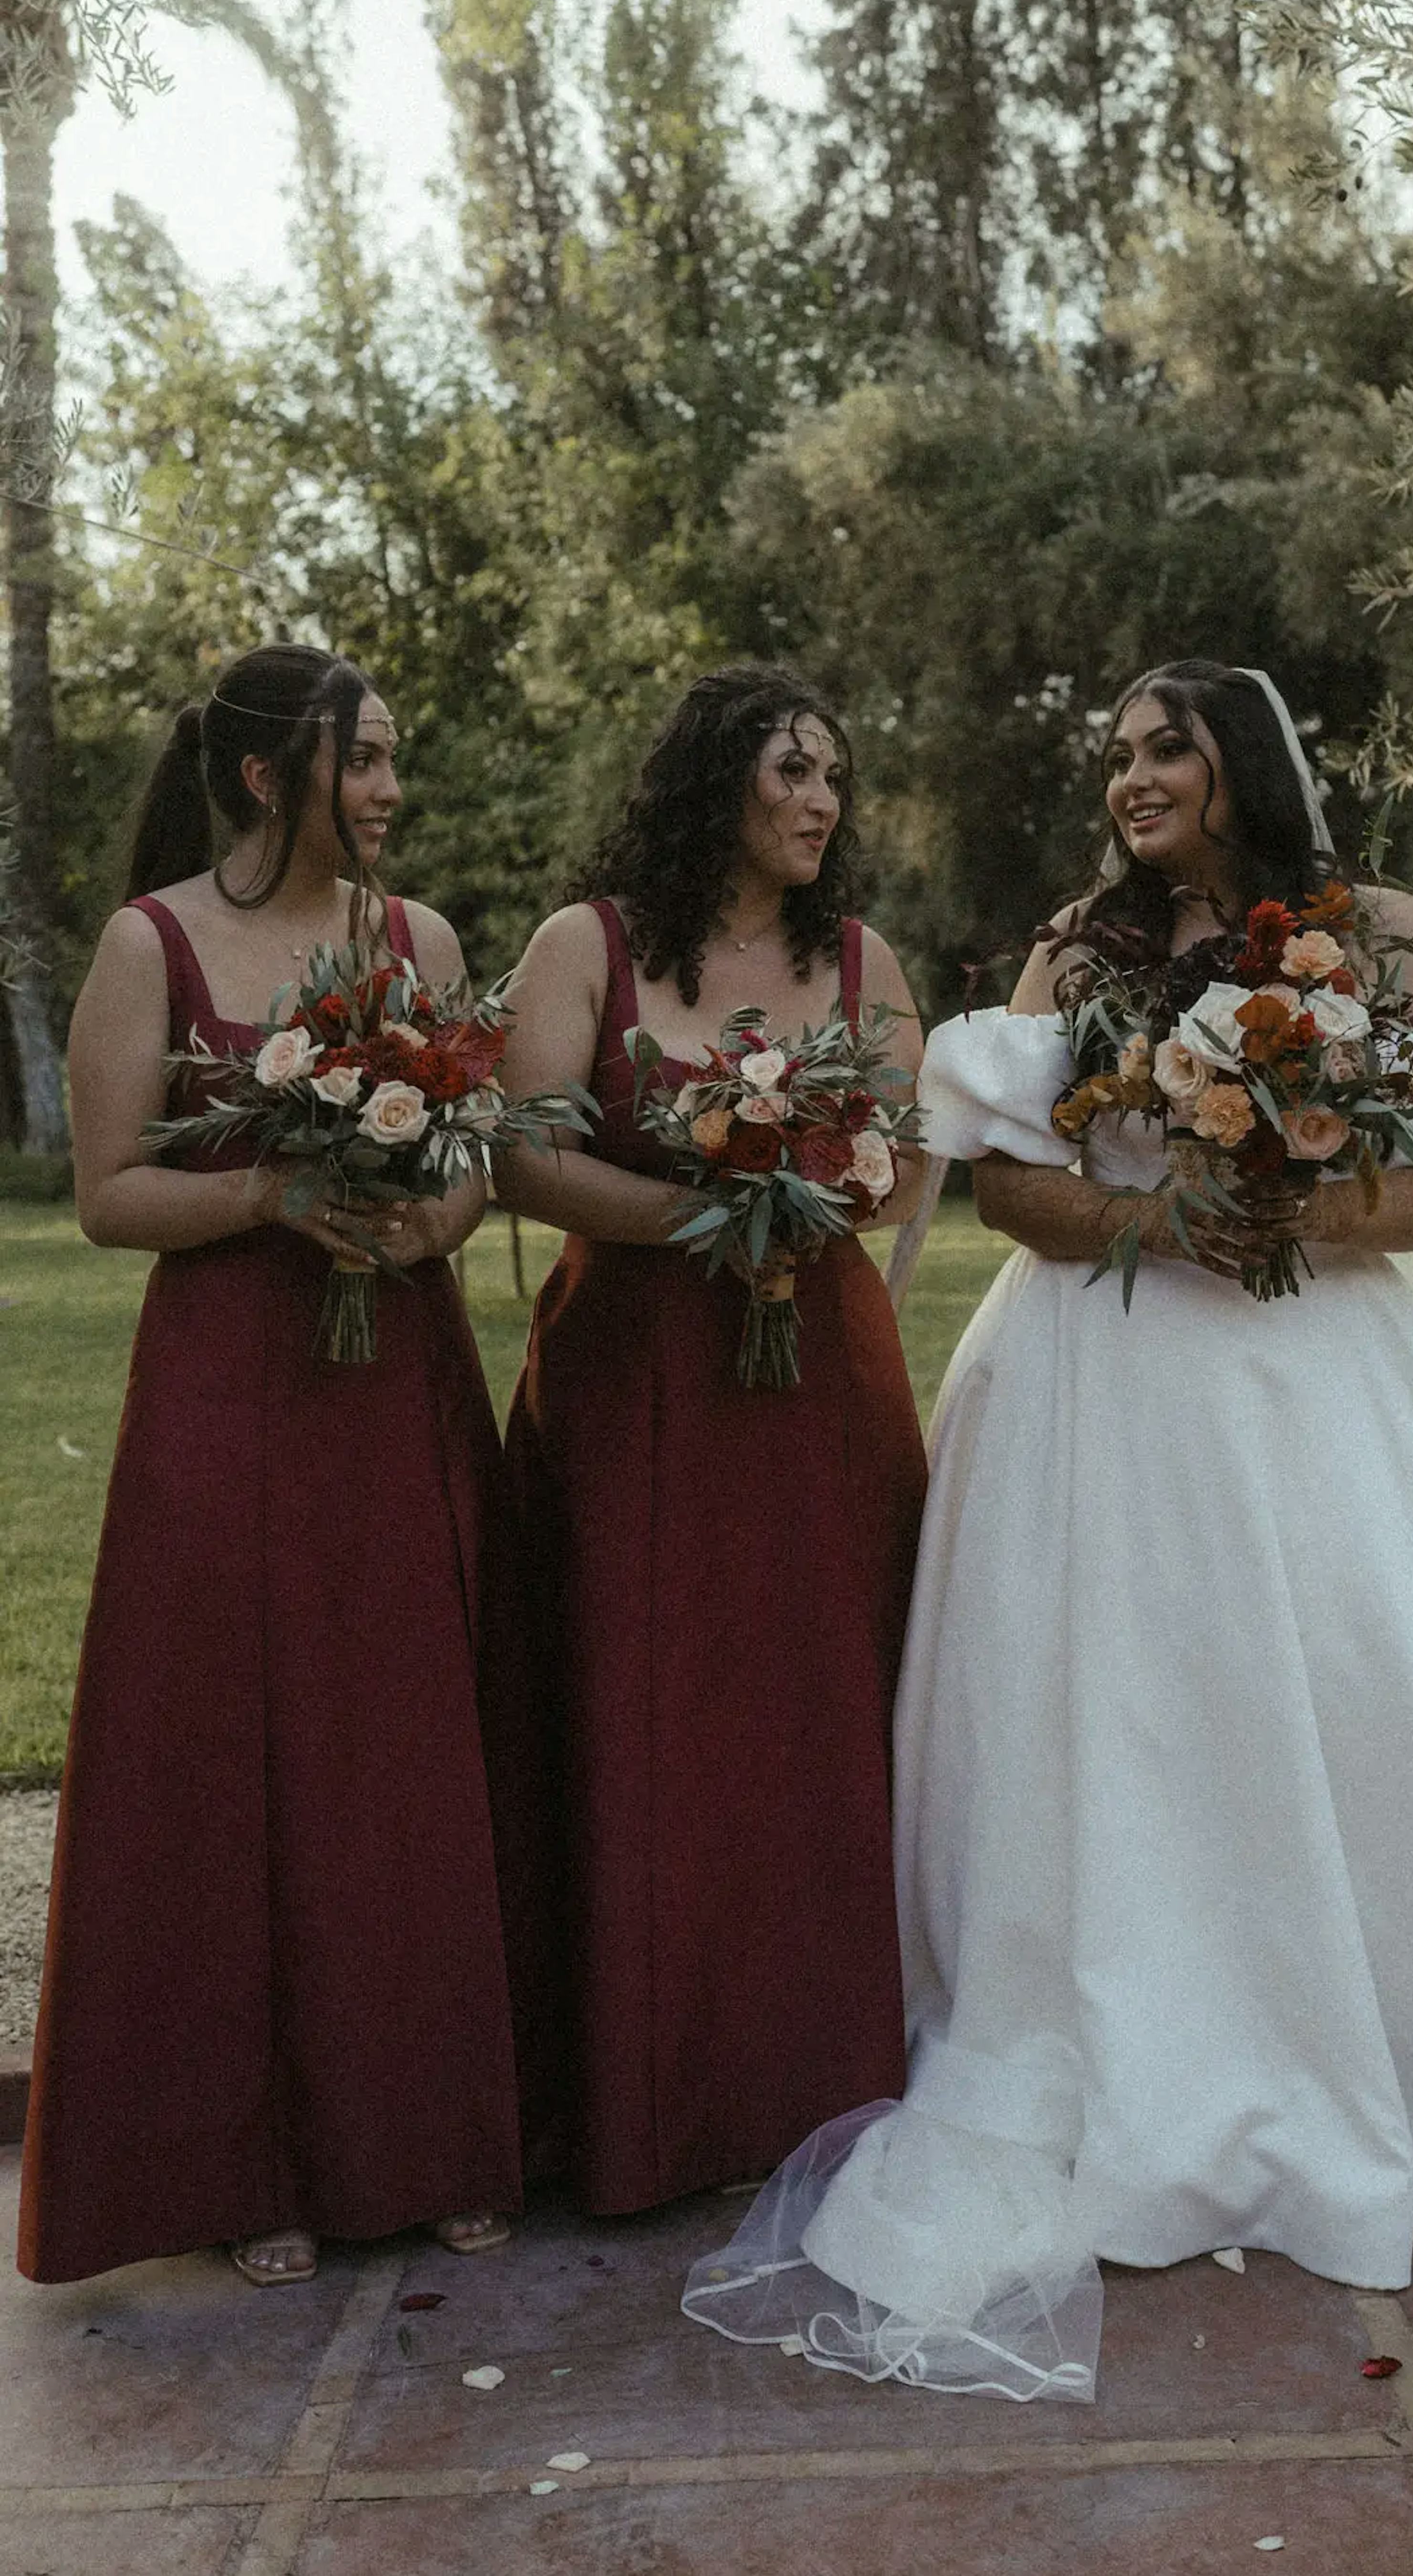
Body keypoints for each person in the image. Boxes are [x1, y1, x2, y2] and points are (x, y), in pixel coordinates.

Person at [683, 658, 1413, 2402]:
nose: (1133, 776)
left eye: (1167, 747)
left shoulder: (1378, 931)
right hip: (1099, 1386)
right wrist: (1164, 1228)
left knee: (1405, 1697)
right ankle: (1148, 2027)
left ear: (1247, 764)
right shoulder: (1078, 947)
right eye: (1119, 753)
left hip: (1325, 1369)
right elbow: (1009, 1188)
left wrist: (1297, 1203)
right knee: (1117, 1718)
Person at [20, 643, 522, 2289]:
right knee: (248, 1761)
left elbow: (475, 1162)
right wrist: (269, 1198)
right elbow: (105, 1192)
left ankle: (439, 2132)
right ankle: (256, 2161)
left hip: (397, 1388)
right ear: (262, 775)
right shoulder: (150, 942)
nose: (386, 789)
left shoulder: (423, 941)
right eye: (359, 760)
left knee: (410, 1751)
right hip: (231, 1396)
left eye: (391, 759)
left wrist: (418, 1218)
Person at [491, 664, 929, 2214]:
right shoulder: (583, 946)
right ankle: (635, 2097)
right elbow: (525, 1153)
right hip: (633, 1385)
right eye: (793, 773)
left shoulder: (865, 959)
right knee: (635, 1712)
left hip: (820, 1382)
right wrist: (700, 1215)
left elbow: (896, 1155)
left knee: (817, 1723)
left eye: (836, 780)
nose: (822, 804)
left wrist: (811, 1205)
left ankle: (816, 2086)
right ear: (712, 783)